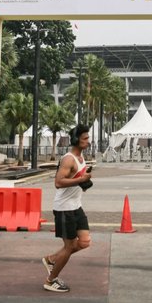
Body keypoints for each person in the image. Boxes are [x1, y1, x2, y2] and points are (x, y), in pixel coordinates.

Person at [41, 124, 93, 293]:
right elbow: (58, 182)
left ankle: (52, 259)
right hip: (64, 209)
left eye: (88, 138)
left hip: (76, 207)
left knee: (84, 242)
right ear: (76, 140)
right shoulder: (68, 159)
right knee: (69, 246)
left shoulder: (81, 158)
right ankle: (51, 280)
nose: (88, 141)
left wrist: (84, 183)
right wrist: (80, 180)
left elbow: (75, 179)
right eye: (85, 138)